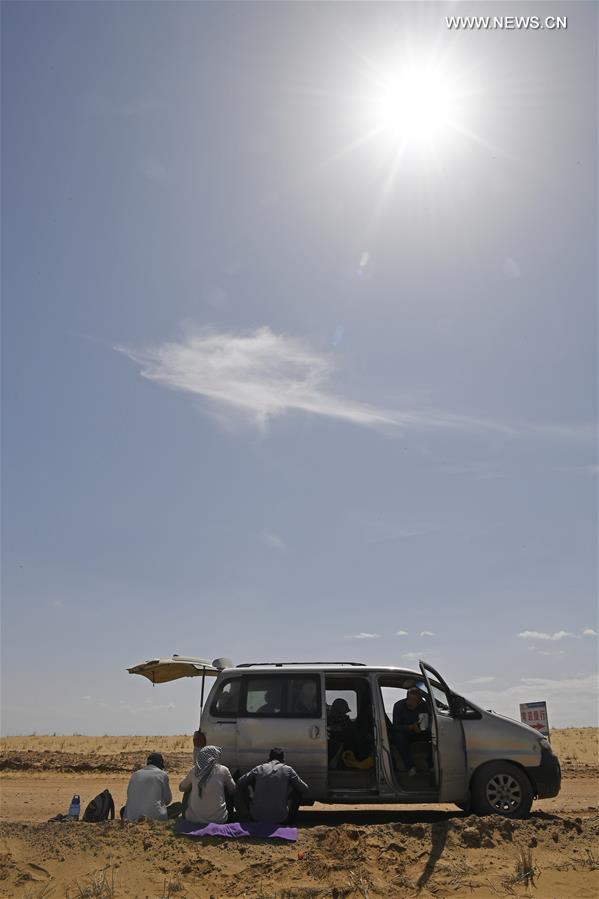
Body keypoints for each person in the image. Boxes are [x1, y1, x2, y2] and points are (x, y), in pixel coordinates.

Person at [236, 748, 308, 824]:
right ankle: (291, 821)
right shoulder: (288, 770)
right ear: (283, 760)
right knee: (298, 791)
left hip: (256, 817)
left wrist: (254, 786)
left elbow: (240, 782)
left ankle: (246, 816)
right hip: (281, 818)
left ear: (268, 759)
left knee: (244, 785)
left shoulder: (259, 768)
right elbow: (305, 788)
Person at [179, 745, 236, 824]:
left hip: (193, 819)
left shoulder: (194, 770)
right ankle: (230, 816)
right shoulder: (223, 770)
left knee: (188, 788)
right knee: (226, 788)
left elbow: (181, 788)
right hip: (219, 819)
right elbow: (233, 790)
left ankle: (187, 813)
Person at [122, 752, 180, 821]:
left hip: (131, 817)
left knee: (124, 809)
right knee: (178, 806)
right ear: (160, 764)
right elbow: (168, 800)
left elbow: (129, 795)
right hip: (156, 818)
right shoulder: (162, 774)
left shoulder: (135, 774)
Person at [392, 688, 432, 776]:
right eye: (409, 699)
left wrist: (421, 728)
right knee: (398, 737)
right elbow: (395, 727)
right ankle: (410, 767)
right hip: (406, 733)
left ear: (419, 701)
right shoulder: (399, 706)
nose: (410, 703)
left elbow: (426, 722)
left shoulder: (424, 706)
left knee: (434, 735)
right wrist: (410, 727)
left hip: (420, 732)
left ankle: (431, 765)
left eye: (414, 701)